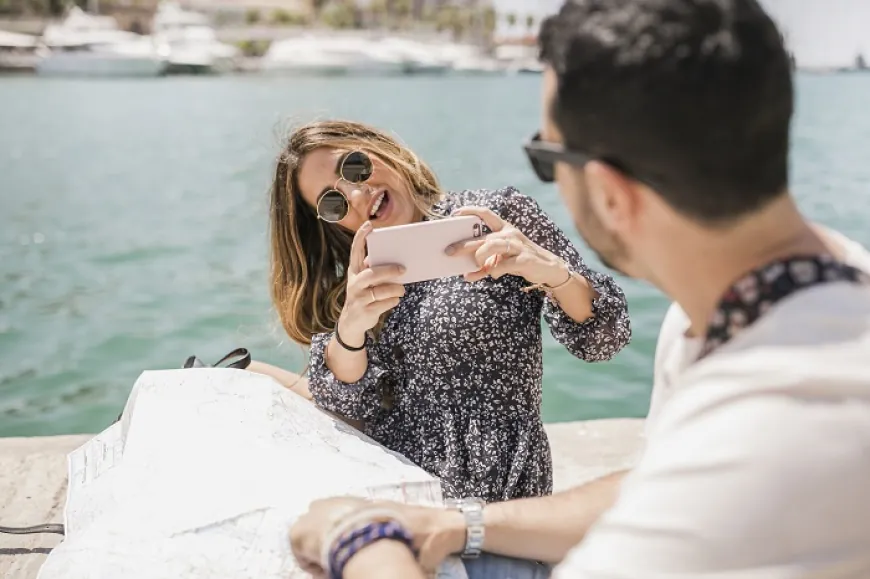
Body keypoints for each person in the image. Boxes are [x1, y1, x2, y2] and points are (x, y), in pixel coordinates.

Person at [287, 0, 870, 578]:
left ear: (610, 195)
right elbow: (658, 478)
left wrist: (359, 538)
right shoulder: (752, 312)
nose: (356, 197)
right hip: (442, 505)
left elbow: (678, 477)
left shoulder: (770, 426)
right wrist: (456, 524)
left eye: (546, 157)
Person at [266, 119, 631, 504]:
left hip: (505, 489)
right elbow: (348, 409)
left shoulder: (494, 218)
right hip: (397, 484)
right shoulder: (353, 283)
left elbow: (605, 338)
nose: (357, 194)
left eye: (353, 167)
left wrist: (548, 271)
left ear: (378, 148)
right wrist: (351, 329)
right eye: (333, 202)